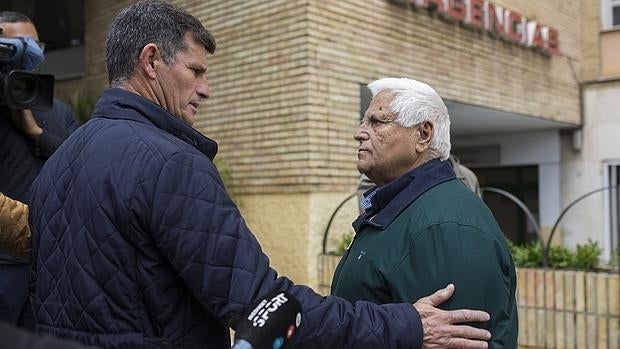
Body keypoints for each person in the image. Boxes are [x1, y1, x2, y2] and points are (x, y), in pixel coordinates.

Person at [29, 2, 492, 348]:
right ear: (151, 61)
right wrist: (407, 325)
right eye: (196, 71)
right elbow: (261, 309)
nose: (206, 89)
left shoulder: (60, 160)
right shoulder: (169, 164)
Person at [332, 78, 518, 348]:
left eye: (377, 122)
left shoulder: (444, 225)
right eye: (364, 121)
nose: (359, 133)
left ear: (423, 135)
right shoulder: (401, 209)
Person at [0, 11, 78, 326]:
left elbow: (80, 168)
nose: (29, 51)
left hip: (50, 264)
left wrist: (35, 132)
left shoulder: (57, 111)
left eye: (35, 44)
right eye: (16, 45)